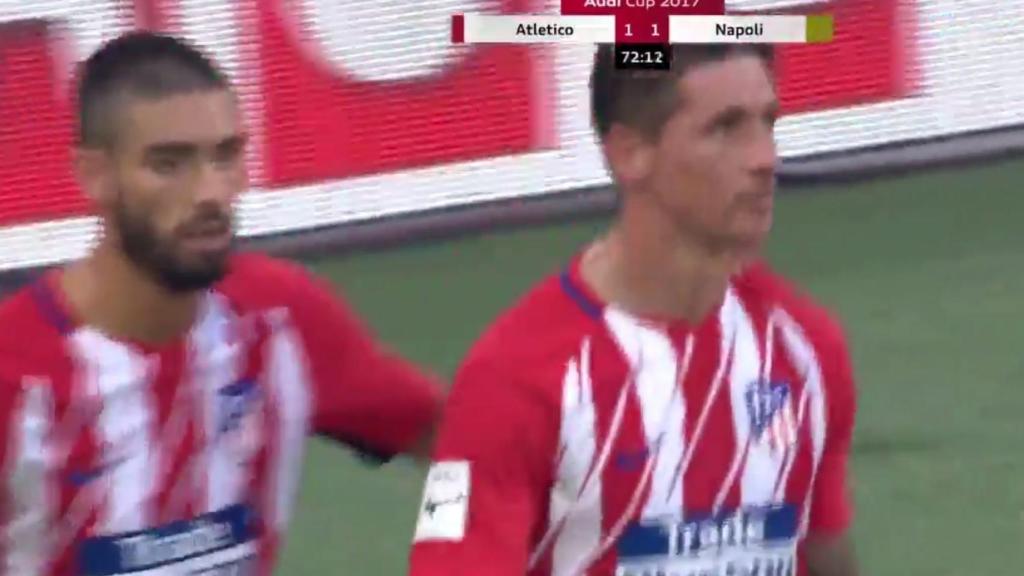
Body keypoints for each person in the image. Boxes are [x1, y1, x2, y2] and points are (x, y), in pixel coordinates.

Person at [0, 32, 443, 575]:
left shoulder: (281, 321)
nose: (210, 191)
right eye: (169, 164)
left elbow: (469, 438)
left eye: (226, 156)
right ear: (94, 174)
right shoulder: (15, 374)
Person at [408, 44, 859, 576]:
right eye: (725, 128)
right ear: (630, 153)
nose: (764, 158)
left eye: (768, 123)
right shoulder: (509, 381)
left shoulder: (803, 347)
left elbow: (824, 551)